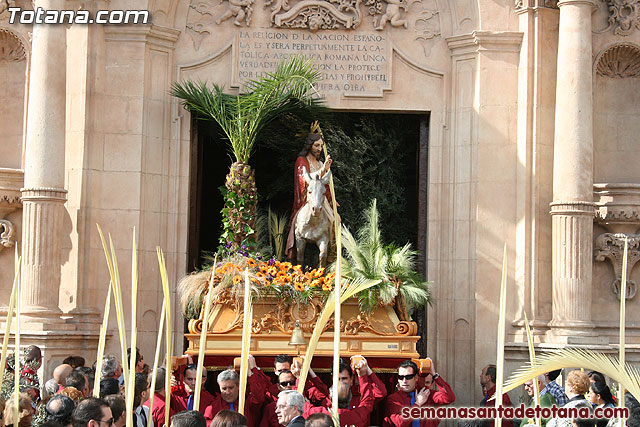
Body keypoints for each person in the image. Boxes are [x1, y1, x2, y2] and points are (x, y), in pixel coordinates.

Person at [285, 132, 334, 260]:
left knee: (335, 220)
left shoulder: (320, 162)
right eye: (316, 145)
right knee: (298, 221)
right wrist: (323, 170)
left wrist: (332, 199)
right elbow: (304, 179)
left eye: (321, 146)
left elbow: (325, 184)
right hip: (308, 197)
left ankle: (332, 252)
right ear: (309, 145)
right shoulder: (302, 160)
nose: (319, 149)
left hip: (320, 199)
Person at [304, 359, 377, 427]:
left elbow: (299, 404)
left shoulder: (318, 413)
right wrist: (362, 375)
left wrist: (300, 375)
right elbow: (367, 401)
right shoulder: (357, 417)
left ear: (330, 398)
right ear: (349, 399)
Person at [384, 359, 456, 427]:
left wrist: (434, 374)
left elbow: (449, 397)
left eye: (408, 377)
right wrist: (418, 404)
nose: (404, 381)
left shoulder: (425, 393)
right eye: (401, 377)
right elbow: (400, 422)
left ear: (416, 378)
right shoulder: (394, 398)